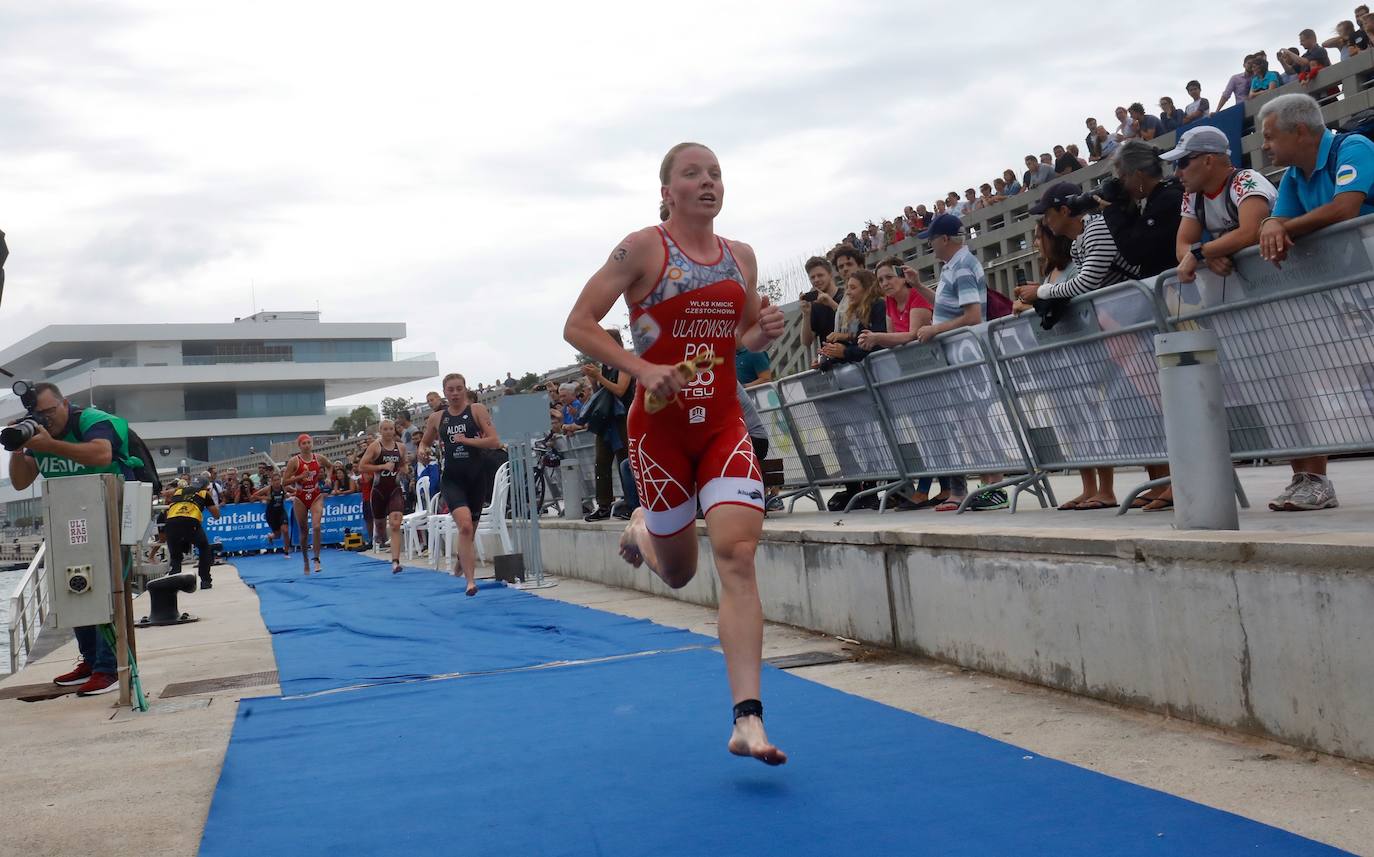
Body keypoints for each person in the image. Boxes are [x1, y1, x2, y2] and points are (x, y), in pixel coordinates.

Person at [563, 141, 788, 765]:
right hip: (658, 434)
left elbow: (736, 334)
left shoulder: (739, 256)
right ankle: (641, 528)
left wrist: (759, 333)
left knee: (738, 555)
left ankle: (748, 720)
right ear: (668, 191)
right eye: (693, 174)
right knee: (683, 570)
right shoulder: (642, 248)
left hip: (721, 424)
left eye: (716, 172)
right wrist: (641, 367)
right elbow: (578, 323)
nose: (708, 182)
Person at [1256, 93, 1374, 511]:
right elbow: (1282, 218)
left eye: (1270, 137)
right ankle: (1313, 481)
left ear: (1300, 130)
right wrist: (1272, 222)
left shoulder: (1353, 147)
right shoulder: (1292, 175)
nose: (1265, 146)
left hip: (1365, 281)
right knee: (1315, 387)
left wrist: (1277, 228)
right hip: (1344, 294)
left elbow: (1345, 208)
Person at [7, 382, 146, 696]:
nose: (45, 419)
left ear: (64, 403)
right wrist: (17, 448)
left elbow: (101, 453)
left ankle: (110, 668)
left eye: (48, 411)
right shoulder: (40, 435)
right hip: (70, 516)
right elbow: (20, 481)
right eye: (37, 415)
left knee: (108, 587)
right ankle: (92, 660)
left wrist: (50, 445)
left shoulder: (92, 421)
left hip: (110, 512)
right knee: (77, 585)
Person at [908, 214, 1006, 513]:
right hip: (961, 356)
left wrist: (934, 329)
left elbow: (973, 316)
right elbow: (947, 304)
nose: (931, 247)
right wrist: (919, 287)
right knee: (970, 423)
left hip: (967, 356)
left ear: (945, 239)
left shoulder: (962, 266)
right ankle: (989, 485)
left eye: (932, 241)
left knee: (977, 421)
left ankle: (995, 486)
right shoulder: (957, 266)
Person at [421, 373, 502, 595]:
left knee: (470, 530)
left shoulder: (476, 410)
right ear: (444, 393)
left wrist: (467, 441)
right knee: (465, 526)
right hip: (453, 479)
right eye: (451, 390)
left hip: (476, 478)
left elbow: (495, 441)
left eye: (459, 389)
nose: (455, 393)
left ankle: (461, 560)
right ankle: (470, 582)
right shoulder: (437, 418)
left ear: (465, 389)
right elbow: (424, 442)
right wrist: (421, 451)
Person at [1166, 125, 1278, 285]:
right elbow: (1181, 248)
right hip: (1261, 278)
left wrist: (1200, 253)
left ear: (1208, 160)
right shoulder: (1192, 195)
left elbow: (1251, 232)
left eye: (1182, 162)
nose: (1177, 173)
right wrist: (1207, 258)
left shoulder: (1246, 179)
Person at [582, 328, 635, 521]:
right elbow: (603, 393)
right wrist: (593, 380)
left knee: (626, 462)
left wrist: (599, 377)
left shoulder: (624, 361)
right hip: (607, 420)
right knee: (601, 462)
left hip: (623, 419)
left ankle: (633, 502)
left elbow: (621, 390)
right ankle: (603, 504)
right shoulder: (605, 365)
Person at [360, 419, 408, 574]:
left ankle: (395, 562)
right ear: (380, 430)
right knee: (380, 527)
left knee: (395, 524)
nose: (388, 431)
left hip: (394, 489)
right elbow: (362, 466)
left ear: (394, 430)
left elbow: (404, 465)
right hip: (378, 491)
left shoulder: (400, 447)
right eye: (385, 429)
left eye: (391, 429)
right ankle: (380, 537)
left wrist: (405, 469)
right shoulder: (375, 446)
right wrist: (381, 466)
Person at [164, 475, 220, 589]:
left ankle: (174, 584)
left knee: (175, 556)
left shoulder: (179, 491)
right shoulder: (204, 493)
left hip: (171, 522)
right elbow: (216, 515)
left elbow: (170, 498)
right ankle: (205, 580)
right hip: (190, 522)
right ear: (206, 486)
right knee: (204, 548)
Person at [283, 434, 327, 575]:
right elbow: (284, 482)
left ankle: (317, 559)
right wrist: (300, 477)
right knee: (303, 531)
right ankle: (306, 560)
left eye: (309, 442)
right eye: (304, 443)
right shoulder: (294, 461)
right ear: (300, 446)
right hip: (301, 496)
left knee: (317, 526)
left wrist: (329, 480)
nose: (307, 445)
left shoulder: (318, 458)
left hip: (315, 495)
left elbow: (331, 466)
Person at [799, 255, 843, 352]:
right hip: (830, 362)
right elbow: (806, 342)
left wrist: (831, 303)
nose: (816, 280)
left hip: (853, 356)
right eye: (812, 277)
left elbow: (854, 323)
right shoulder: (815, 306)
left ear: (830, 274)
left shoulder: (845, 296)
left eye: (820, 275)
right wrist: (806, 314)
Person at [251, 471, 291, 556]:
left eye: (278, 480)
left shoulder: (283, 488)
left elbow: (297, 491)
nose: (277, 482)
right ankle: (270, 536)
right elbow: (253, 496)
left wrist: (290, 495)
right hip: (271, 514)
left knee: (285, 530)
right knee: (277, 535)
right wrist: (265, 498)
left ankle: (286, 552)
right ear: (272, 481)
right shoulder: (268, 489)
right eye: (275, 480)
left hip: (281, 512)